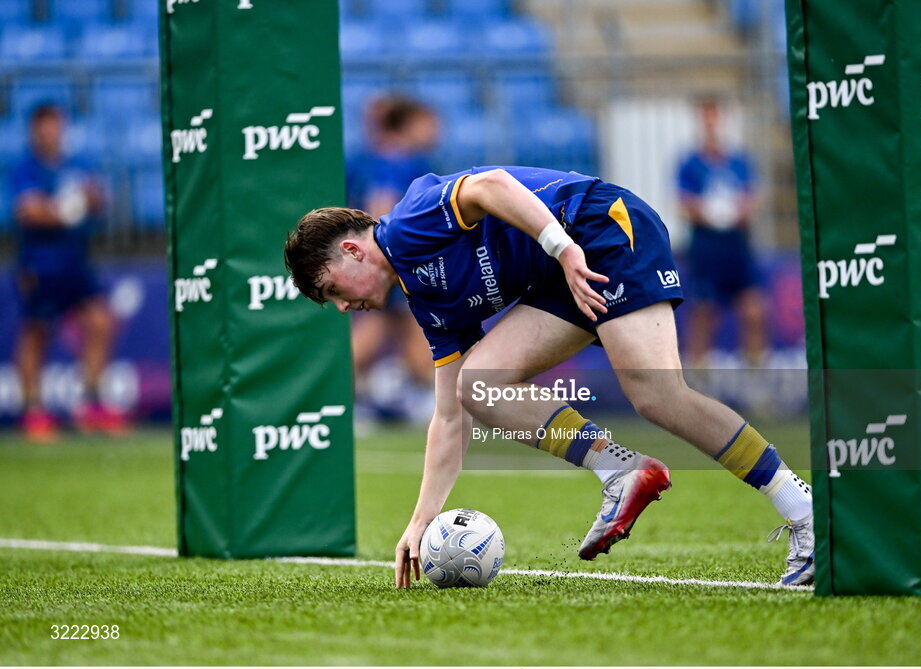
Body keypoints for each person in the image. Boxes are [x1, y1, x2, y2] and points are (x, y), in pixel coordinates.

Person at [284, 165, 814, 589]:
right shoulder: (428, 302)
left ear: (352, 250)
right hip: (559, 274)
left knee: (657, 396)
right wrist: (421, 521)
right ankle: (619, 469)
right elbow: (449, 417)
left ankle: (806, 513)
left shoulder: (406, 225)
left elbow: (491, 185)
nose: (341, 307)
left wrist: (562, 248)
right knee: (476, 386)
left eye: (332, 290)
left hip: (601, 228)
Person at [8, 102, 127, 442]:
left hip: (76, 261)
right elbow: (28, 212)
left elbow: (98, 200)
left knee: (100, 321)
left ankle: (91, 404)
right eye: (45, 127)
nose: (51, 132)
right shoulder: (26, 169)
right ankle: (32, 410)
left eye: (56, 126)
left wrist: (91, 201)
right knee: (36, 332)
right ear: (35, 131)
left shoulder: (77, 165)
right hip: (39, 263)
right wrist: (66, 210)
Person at [345, 95, 440, 420]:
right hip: (395, 259)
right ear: (408, 123)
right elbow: (381, 207)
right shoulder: (398, 160)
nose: (434, 132)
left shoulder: (365, 159)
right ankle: (346, 401)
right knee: (379, 331)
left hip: (385, 258)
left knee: (404, 330)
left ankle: (421, 397)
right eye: (429, 124)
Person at [677, 99, 769, 366]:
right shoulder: (690, 164)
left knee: (753, 311)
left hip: (736, 245)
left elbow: (753, 196)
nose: (711, 124)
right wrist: (710, 213)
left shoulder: (739, 162)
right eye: (706, 118)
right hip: (707, 246)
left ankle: (757, 381)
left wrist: (740, 211)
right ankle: (697, 380)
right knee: (704, 313)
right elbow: (683, 202)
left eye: (715, 117)